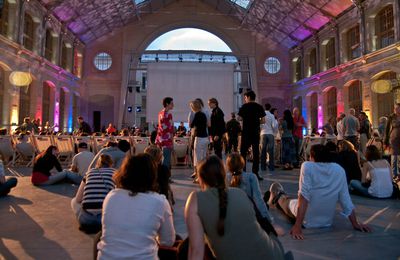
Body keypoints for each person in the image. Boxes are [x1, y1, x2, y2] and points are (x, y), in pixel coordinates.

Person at [185, 155, 285, 259]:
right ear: (223, 174)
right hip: (273, 254)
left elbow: (196, 251)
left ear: (200, 178)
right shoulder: (241, 193)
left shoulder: (195, 200)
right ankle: (277, 196)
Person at [267, 144, 371, 240]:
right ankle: (279, 194)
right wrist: (355, 223)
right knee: (293, 201)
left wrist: (297, 226)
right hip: (326, 222)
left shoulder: (307, 166)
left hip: (306, 220)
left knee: (286, 201)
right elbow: (346, 200)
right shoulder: (339, 170)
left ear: (312, 157)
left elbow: (304, 196)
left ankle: (278, 194)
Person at [96, 153, 175, 259]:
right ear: (152, 175)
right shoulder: (159, 201)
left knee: (99, 237)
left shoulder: (111, 196)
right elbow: (167, 242)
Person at [71, 154, 115, 232]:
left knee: (73, 201)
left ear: (98, 163)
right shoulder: (115, 173)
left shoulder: (89, 172)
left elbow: (78, 199)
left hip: (86, 220)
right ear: (111, 163)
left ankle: (87, 222)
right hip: (105, 220)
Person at [226, 153, 274, 223]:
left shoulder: (226, 178)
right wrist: (268, 219)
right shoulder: (251, 177)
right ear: (242, 164)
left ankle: (265, 199)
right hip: (249, 213)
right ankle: (265, 200)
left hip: (234, 215)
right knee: (263, 203)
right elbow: (258, 200)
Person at [238, 90, 266, 180]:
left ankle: (243, 172)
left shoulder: (244, 107)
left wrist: (246, 119)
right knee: (256, 152)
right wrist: (256, 121)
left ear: (249, 97)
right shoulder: (259, 107)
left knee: (243, 152)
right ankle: (255, 173)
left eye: (245, 98)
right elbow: (263, 120)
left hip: (246, 132)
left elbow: (239, 118)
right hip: (255, 132)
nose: (245, 99)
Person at [189, 99, 209, 182]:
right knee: (203, 157)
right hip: (205, 138)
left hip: (199, 138)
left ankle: (199, 177)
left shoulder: (197, 115)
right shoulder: (204, 114)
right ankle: (204, 176)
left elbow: (191, 125)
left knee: (197, 159)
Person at [156, 97, 174, 169]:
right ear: (167, 104)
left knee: (162, 158)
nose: (173, 105)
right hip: (167, 139)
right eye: (172, 103)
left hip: (160, 138)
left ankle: (162, 177)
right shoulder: (168, 115)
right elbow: (170, 129)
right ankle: (165, 177)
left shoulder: (160, 113)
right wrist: (172, 140)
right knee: (166, 159)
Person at [384, 103, 400, 180]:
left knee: (399, 156)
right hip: (393, 138)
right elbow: (387, 129)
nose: (396, 109)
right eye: (395, 108)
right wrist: (385, 140)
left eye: (397, 108)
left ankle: (399, 174)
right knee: (394, 156)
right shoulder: (391, 117)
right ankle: (394, 173)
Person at [260, 103, 278, 172]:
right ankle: (271, 167)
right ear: (270, 108)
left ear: (264, 107)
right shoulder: (271, 115)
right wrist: (274, 132)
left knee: (263, 151)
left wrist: (262, 130)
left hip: (263, 134)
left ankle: (263, 167)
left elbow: (260, 125)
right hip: (270, 134)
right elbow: (274, 126)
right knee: (271, 151)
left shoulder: (262, 115)